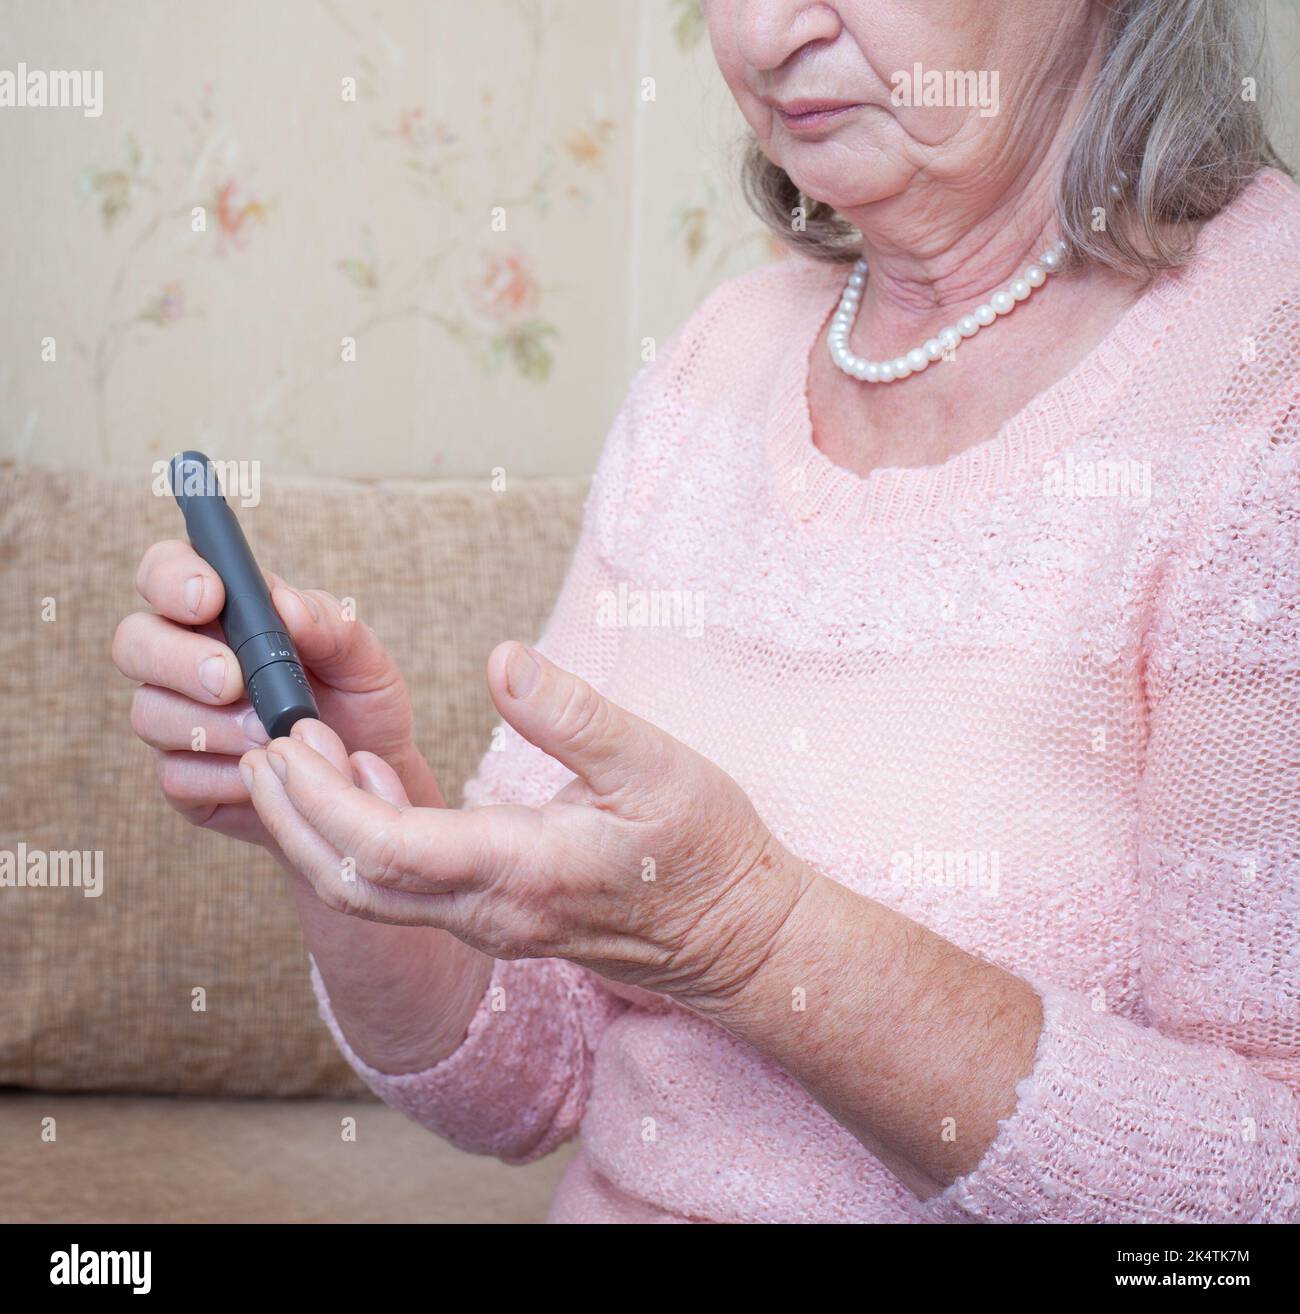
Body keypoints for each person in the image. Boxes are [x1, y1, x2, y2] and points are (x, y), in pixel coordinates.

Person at [114, 0, 1299, 1222]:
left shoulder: (1268, 381)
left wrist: (747, 937)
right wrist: (362, 829)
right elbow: (532, 1079)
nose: (766, 31)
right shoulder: (717, 362)